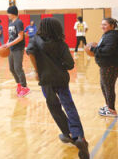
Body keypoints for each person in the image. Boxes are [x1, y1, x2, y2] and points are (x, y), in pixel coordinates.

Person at [26, 18, 89, 159]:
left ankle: (69, 135)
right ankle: (79, 137)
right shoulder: (61, 43)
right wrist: (59, 64)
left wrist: (37, 71)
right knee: (69, 106)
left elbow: (30, 52)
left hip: (45, 79)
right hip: (61, 78)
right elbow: (70, 64)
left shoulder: (35, 40)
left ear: (41, 28)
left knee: (54, 107)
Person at [88, 18, 118, 117]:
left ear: (112, 26)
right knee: (104, 86)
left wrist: (93, 49)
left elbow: (108, 51)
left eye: (105, 24)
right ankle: (109, 106)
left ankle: (112, 110)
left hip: (110, 66)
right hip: (108, 65)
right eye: (101, 24)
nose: (102, 26)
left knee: (108, 87)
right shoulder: (110, 35)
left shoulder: (111, 36)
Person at [2, 5, 30, 97]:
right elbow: (11, 37)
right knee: (11, 68)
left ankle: (25, 87)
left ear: (13, 13)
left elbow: (20, 37)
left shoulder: (19, 22)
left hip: (18, 49)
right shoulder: (10, 24)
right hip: (11, 48)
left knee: (18, 68)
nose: (7, 15)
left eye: (8, 13)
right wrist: (6, 44)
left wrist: (9, 44)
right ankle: (19, 84)